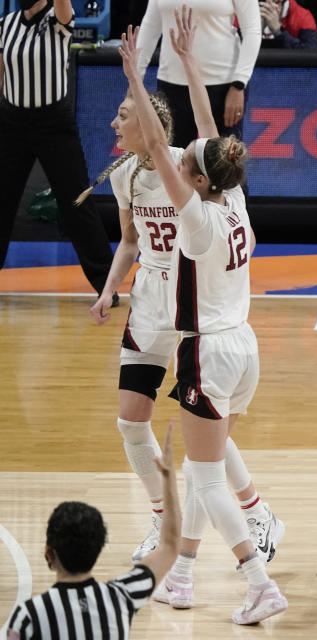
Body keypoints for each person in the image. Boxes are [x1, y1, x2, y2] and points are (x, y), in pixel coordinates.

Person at [80, 8, 284, 581]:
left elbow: (201, 127)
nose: (115, 124)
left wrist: (140, 78)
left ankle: (248, 528)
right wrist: (109, 289)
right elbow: (127, 239)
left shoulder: (185, 176)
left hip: (197, 314)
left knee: (204, 443)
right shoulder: (132, 176)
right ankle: (171, 532)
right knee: (136, 422)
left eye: (125, 115)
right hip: (157, 306)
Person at [5, 421, 181, 640]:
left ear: (48, 553)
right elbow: (170, 545)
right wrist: (169, 480)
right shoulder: (121, 596)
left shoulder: (27, 616)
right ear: (97, 551)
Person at [0, 0, 116, 304]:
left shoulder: (58, 19)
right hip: (12, 122)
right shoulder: (7, 24)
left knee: (77, 201)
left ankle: (106, 283)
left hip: (53, 124)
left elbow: (64, 8)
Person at [136, 0, 260, 149]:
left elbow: (252, 29)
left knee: (223, 163)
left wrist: (239, 83)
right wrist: (135, 78)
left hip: (223, 86)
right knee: (174, 162)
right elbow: (150, 26)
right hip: (171, 84)